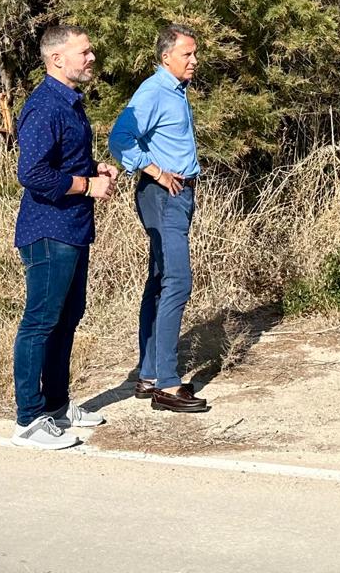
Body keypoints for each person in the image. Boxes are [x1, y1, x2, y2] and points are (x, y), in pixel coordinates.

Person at [10, 24, 119, 450]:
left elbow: (63, 160)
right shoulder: (45, 106)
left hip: (72, 228)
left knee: (67, 318)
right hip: (47, 230)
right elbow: (32, 173)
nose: (91, 58)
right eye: (84, 52)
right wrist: (85, 185)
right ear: (57, 59)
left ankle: (56, 406)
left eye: (90, 51)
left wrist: (95, 169)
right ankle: (28, 421)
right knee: (40, 321)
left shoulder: (70, 103)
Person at [108, 23, 210, 414]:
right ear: (166, 57)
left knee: (161, 280)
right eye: (187, 54)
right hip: (164, 195)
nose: (194, 61)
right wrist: (155, 171)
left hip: (177, 195)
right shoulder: (153, 91)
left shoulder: (175, 91)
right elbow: (120, 140)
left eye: (194, 53)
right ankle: (167, 384)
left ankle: (150, 374)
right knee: (177, 281)